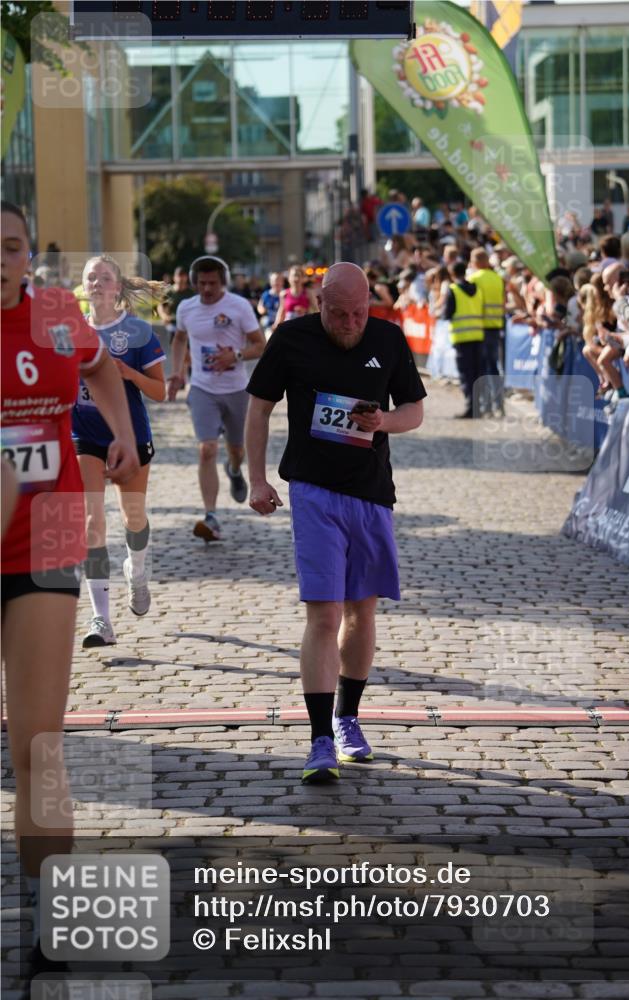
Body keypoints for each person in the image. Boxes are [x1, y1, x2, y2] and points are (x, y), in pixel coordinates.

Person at [1, 201, 138, 978]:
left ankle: (53, 918)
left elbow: (97, 365)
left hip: (45, 532)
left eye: (13, 247)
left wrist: (116, 429)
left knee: (37, 747)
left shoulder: (57, 313)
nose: (2, 260)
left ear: (29, 255)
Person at [245, 262, 426, 784]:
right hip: (313, 491)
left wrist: (384, 422)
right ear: (318, 304)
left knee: (361, 613)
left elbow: (413, 409)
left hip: (371, 492)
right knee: (323, 614)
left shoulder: (388, 338)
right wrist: (257, 480)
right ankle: (320, 739)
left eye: (359, 313)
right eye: (340, 314)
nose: (351, 323)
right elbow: (258, 409)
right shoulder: (292, 337)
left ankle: (349, 719)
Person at [73, 255, 167, 647]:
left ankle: (137, 569)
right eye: (90, 277)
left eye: (104, 277)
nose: (96, 282)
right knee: (92, 522)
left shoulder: (138, 332)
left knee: (133, 517)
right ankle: (101, 619)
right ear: (83, 286)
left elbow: (161, 392)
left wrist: (127, 374)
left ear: (117, 286)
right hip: (84, 436)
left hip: (128, 435)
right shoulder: (69, 331)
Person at [168, 255, 265, 542]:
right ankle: (211, 516)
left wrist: (234, 355)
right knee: (206, 448)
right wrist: (176, 373)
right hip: (202, 388)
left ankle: (234, 470)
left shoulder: (238, 306)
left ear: (222, 282)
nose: (207, 289)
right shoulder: (186, 307)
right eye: (201, 283)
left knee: (237, 450)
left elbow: (261, 345)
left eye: (212, 283)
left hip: (236, 390)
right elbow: (179, 339)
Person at [444, 259, 485, 418]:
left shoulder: (453, 290)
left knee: (466, 374)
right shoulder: (477, 288)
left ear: (453, 274)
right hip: (478, 336)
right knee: (476, 372)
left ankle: (471, 408)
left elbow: (448, 314)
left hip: (461, 338)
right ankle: (478, 406)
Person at [469, 248, 506, 416]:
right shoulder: (497, 278)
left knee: (482, 368)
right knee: (494, 367)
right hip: (495, 326)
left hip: (479, 328)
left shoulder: (474, 278)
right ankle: (499, 404)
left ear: (476, 262)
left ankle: (487, 406)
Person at [272, 264, 317, 329]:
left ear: (303, 278)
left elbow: (316, 310)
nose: (296, 278)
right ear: (289, 278)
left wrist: (306, 311)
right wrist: (276, 325)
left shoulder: (309, 293)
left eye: (298, 276)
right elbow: (281, 311)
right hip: (289, 328)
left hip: (305, 327)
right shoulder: (284, 294)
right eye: (293, 276)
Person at [158, 266, 195, 343]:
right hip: (172, 323)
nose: (181, 278)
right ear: (174, 278)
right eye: (179, 276)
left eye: (183, 276)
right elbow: (160, 306)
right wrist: (164, 316)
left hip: (187, 325)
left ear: (186, 277)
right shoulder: (169, 292)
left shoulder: (191, 293)